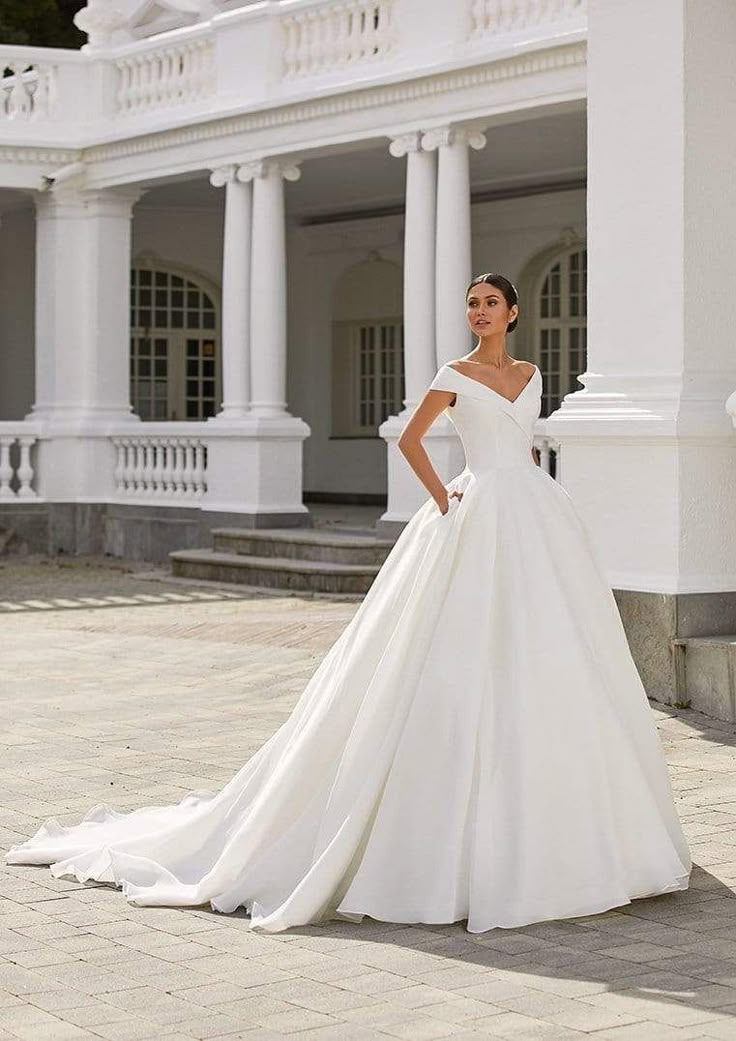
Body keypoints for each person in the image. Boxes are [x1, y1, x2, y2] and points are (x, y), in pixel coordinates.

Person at [5, 273, 692, 934]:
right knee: (447, 653)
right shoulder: (452, 375)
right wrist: (440, 495)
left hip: (534, 514)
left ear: (513, 312)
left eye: (489, 303)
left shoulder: (533, 375)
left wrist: (540, 496)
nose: (478, 312)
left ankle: (573, 830)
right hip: (472, 508)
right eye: (471, 303)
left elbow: (527, 450)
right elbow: (413, 439)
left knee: (548, 652)